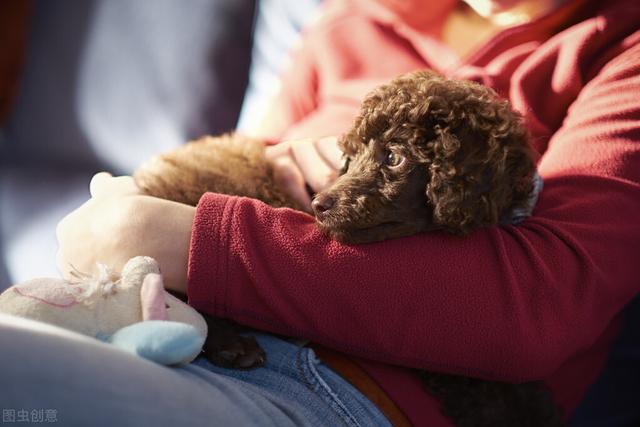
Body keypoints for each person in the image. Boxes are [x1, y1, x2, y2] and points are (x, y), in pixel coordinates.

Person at [48, 0, 640, 425]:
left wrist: (169, 236)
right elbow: (239, 165)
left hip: (338, 385)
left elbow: (536, 309)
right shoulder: (348, 22)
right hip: (187, 323)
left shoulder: (620, 49)